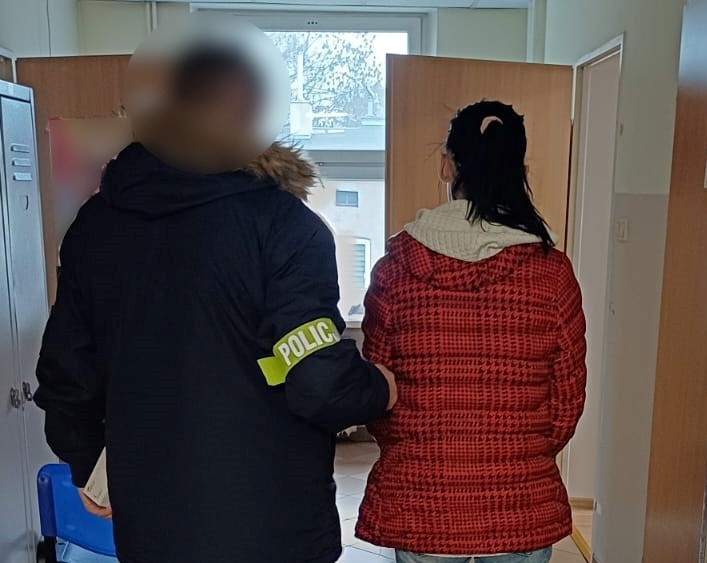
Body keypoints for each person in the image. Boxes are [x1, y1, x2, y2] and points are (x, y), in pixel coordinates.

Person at [34, 40, 396, 563]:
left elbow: (65, 377)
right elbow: (316, 379)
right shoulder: (285, 227)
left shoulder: (95, 227)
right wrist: (378, 389)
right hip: (275, 528)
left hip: (153, 529)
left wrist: (91, 465)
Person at [356, 100, 587, 563]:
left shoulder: (396, 270)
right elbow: (567, 400)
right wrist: (520, 455)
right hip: (520, 506)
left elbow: (376, 390)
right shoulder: (552, 274)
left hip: (424, 504)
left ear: (447, 165)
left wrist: (417, 450)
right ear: (520, 169)